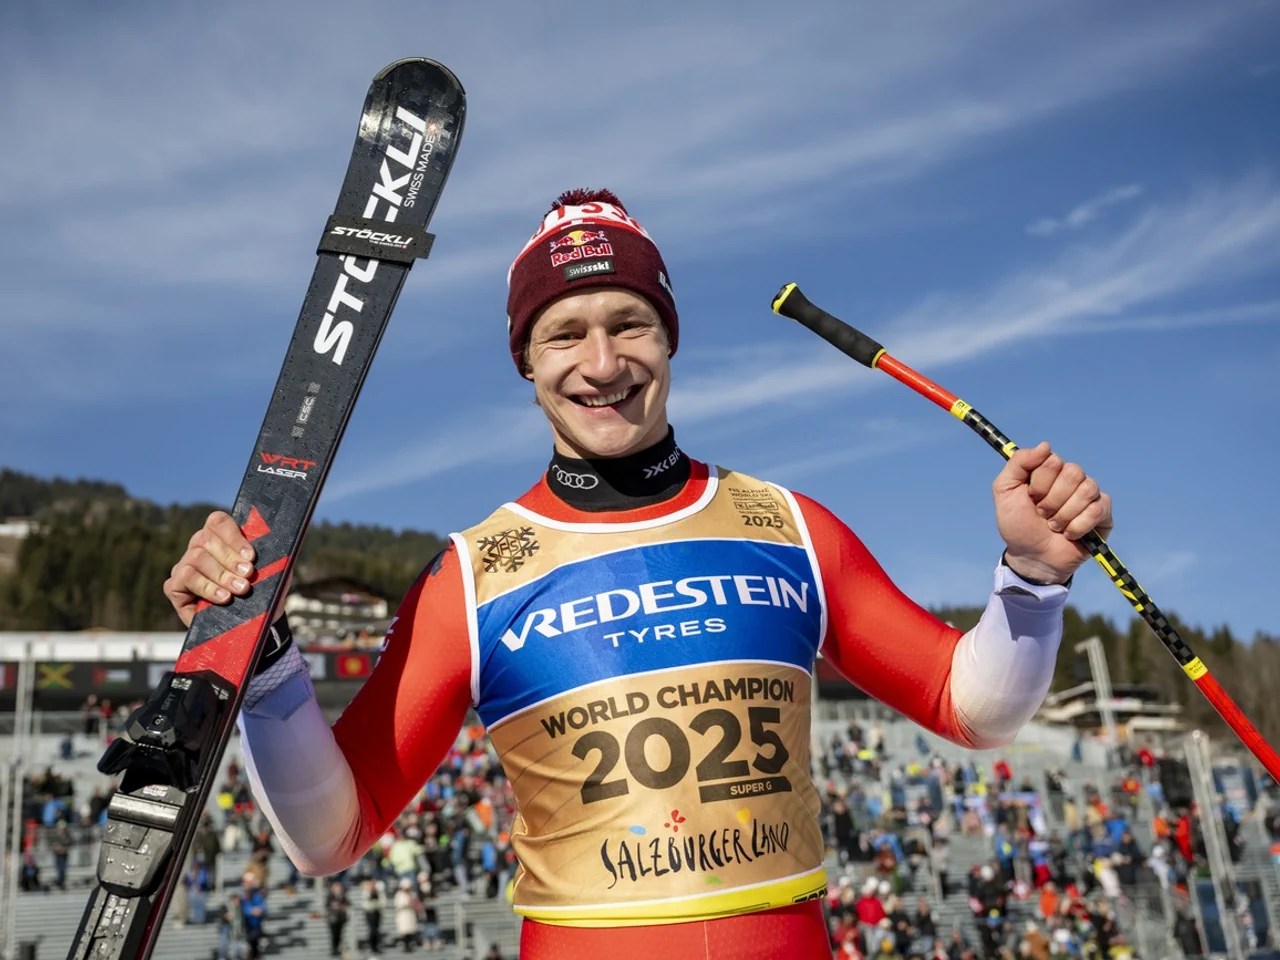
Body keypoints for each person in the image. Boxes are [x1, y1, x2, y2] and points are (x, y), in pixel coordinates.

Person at [162, 188, 1113, 960]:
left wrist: (1030, 577)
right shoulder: (471, 575)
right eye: (565, 333)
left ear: (669, 340)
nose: (604, 361)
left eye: (631, 324)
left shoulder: (787, 526)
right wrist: (270, 662)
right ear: (526, 363)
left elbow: (975, 709)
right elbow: (332, 836)